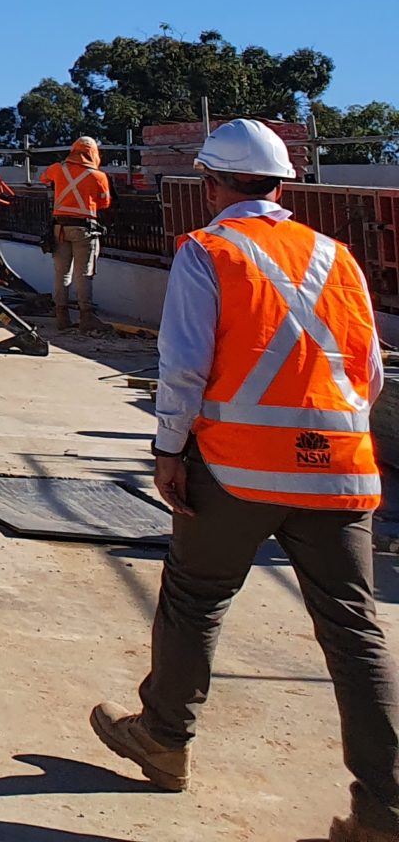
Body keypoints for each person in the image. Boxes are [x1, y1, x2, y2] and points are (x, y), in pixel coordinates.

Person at [92, 119, 394, 841]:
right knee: (355, 633)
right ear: (284, 185)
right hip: (342, 472)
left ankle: (164, 739)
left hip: (235, 469)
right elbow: (371, 373)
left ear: (210, 185)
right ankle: (385, 809)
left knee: (195, 600)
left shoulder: (210, 251)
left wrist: (169, 449)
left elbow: (185, 366)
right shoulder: (337, 256)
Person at [43, 136, 112, 332]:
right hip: (85, 229)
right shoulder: (98, 176)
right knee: (84, 273)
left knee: (61, 272)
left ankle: (61, 316)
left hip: (60, 229)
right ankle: (86, 317)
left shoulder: (58, 169)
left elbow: (44, 178)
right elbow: (105, 203)